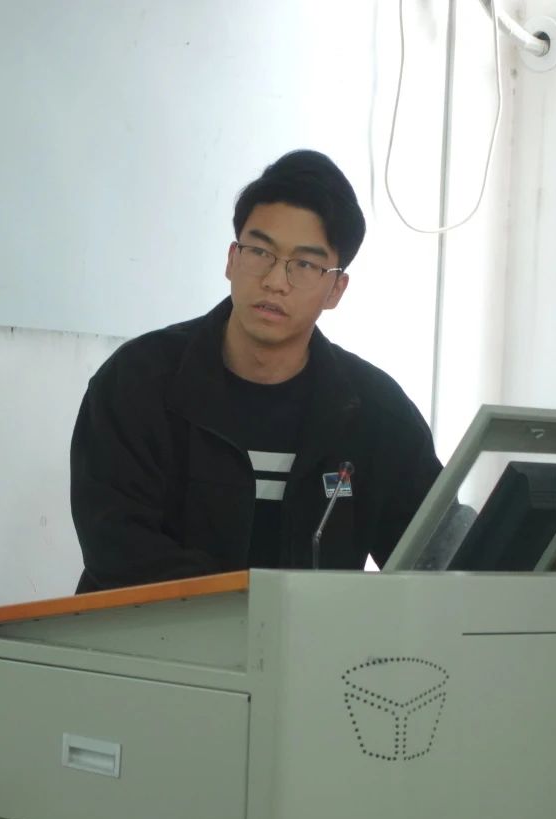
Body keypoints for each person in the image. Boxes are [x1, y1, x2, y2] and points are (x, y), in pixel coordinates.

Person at [70, 150, 441, 594]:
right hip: (152, 634)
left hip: (308, 640)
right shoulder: (136, 383)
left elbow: (435, 559)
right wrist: (259, 613)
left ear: (335, 289)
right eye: (260, 252)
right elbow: (119, 551)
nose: (274, 281)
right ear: (232, 259)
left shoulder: (375, 413)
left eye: (305, 265)